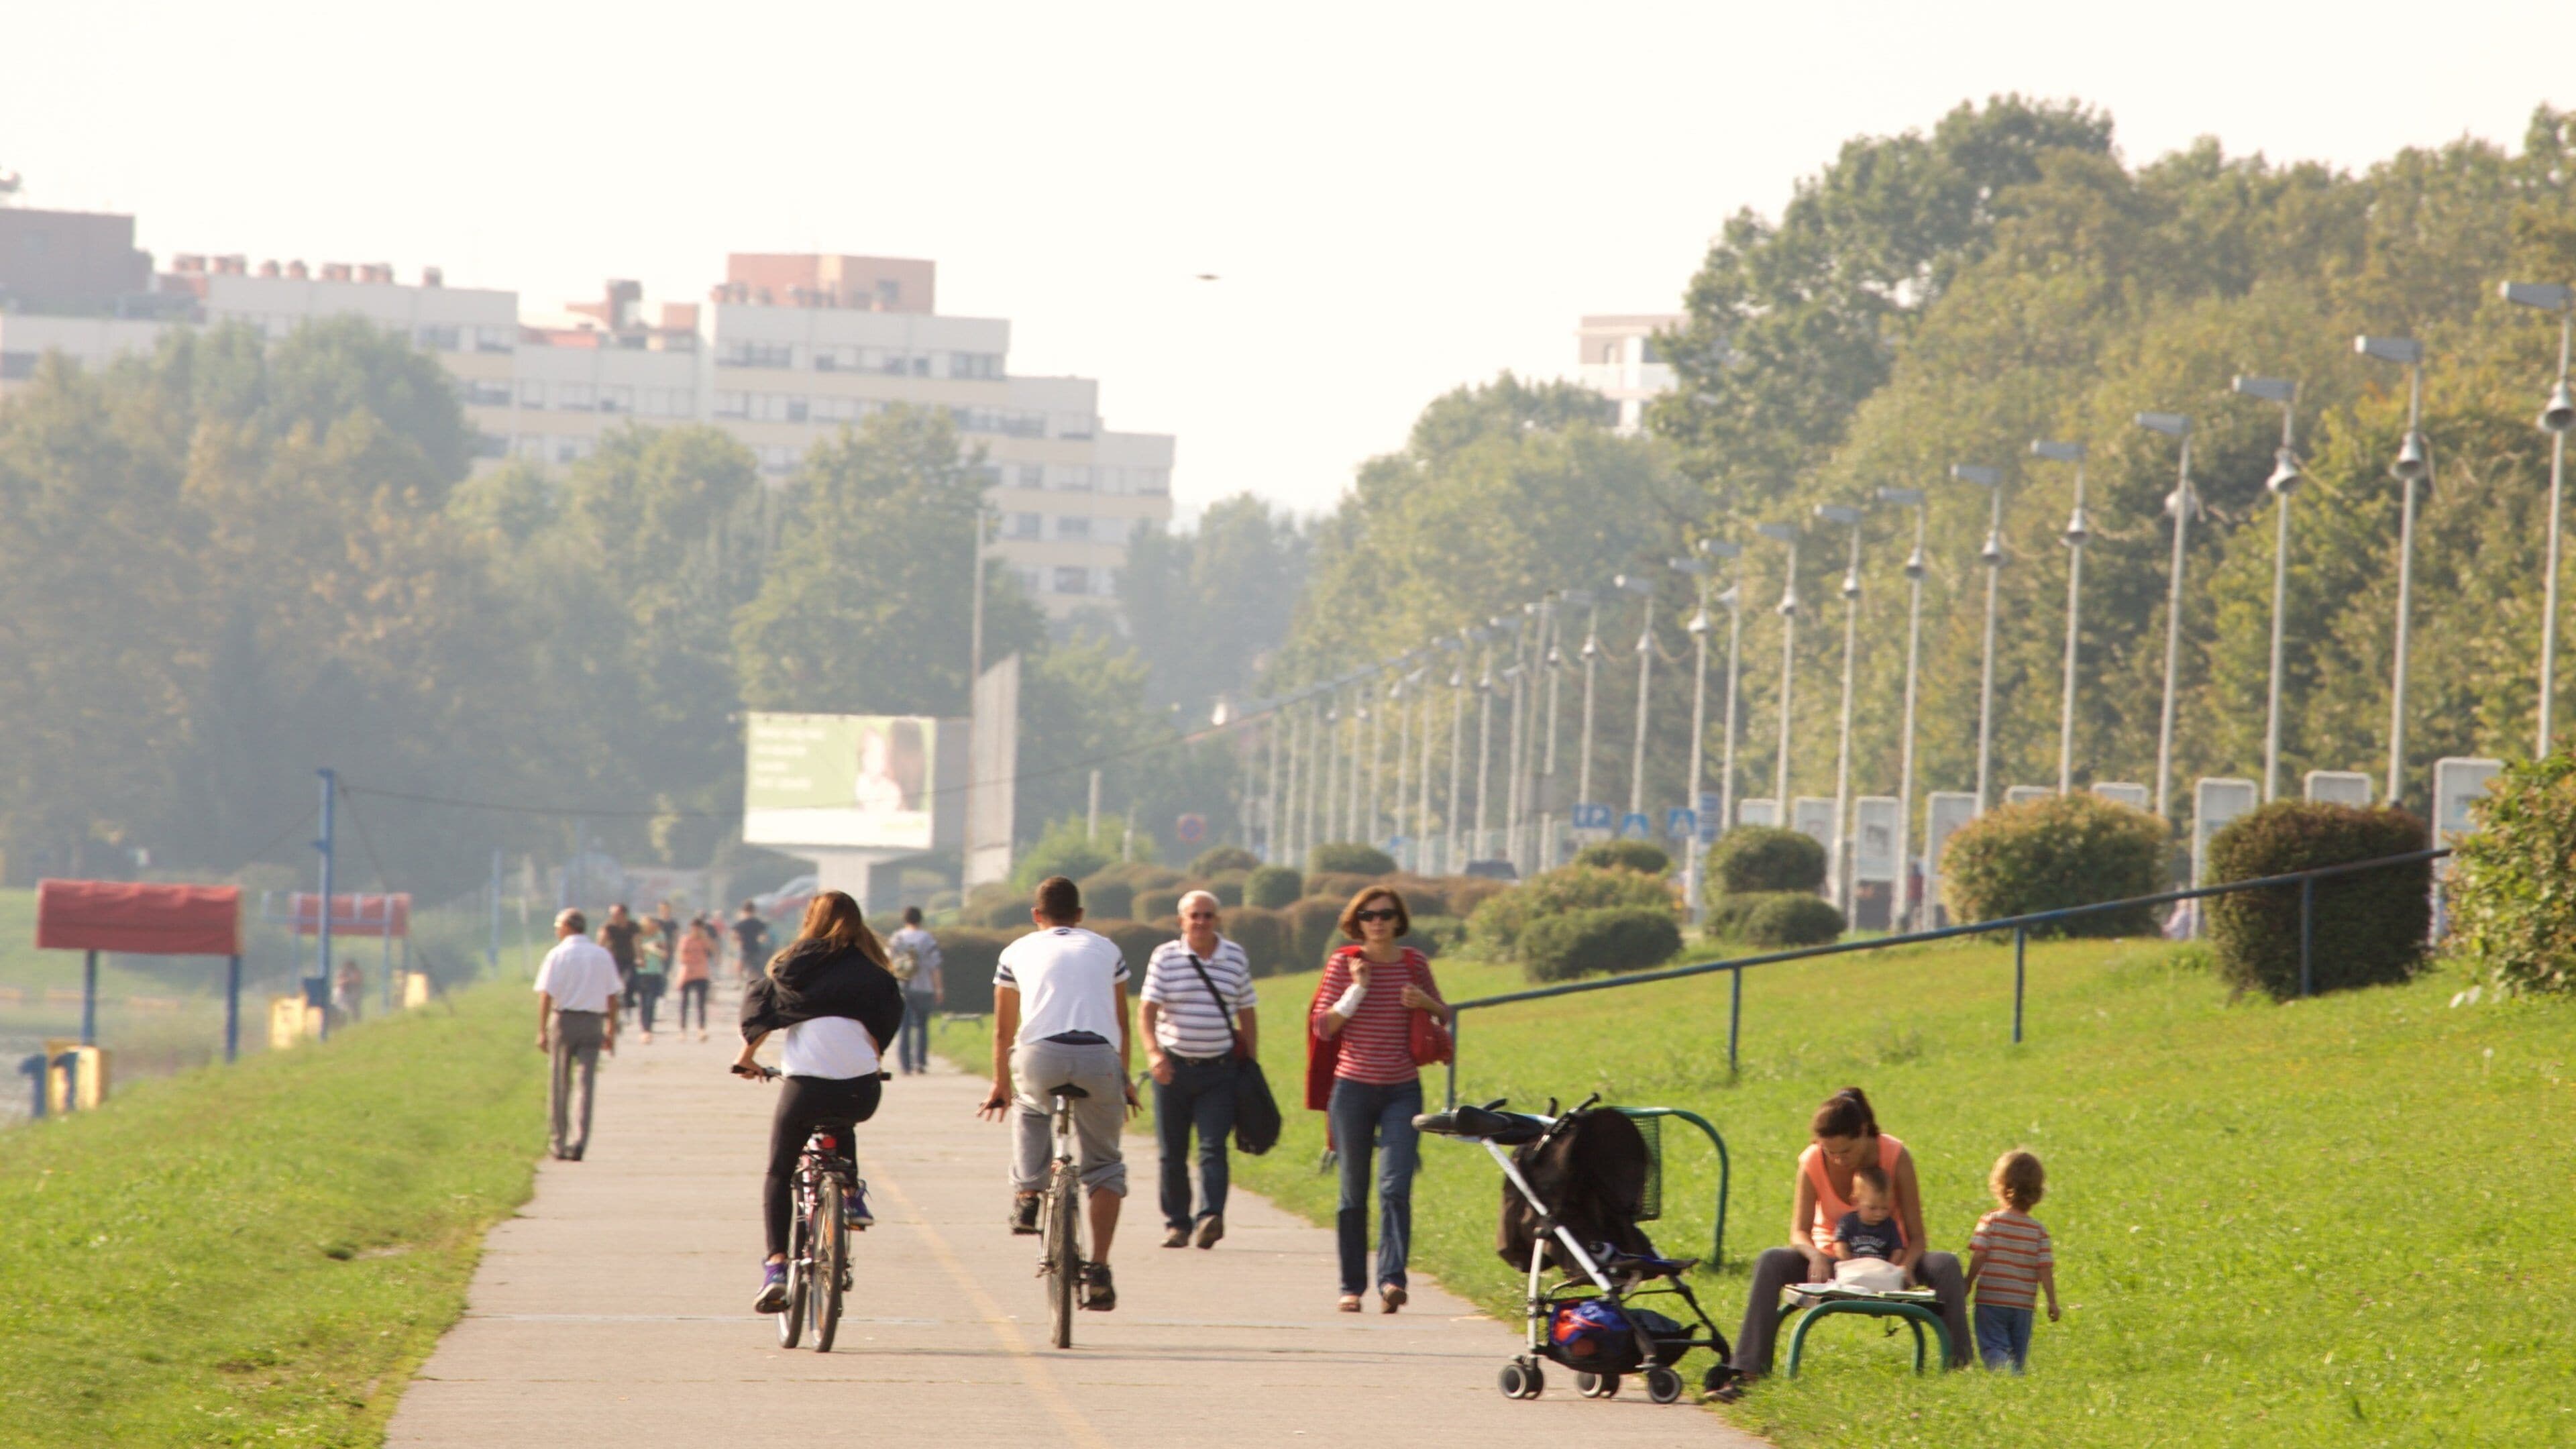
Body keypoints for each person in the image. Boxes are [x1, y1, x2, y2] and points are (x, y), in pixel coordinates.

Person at [1721, 1087, 1972, 1392]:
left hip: (1890, 1261)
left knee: (1946, 1264)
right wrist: (1814, 1256)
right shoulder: (1812, 1160)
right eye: (1831, 1153)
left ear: (1863, 1133)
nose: (1838, 1160)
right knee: (1771, 1260)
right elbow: (1798, 1232)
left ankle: (1958, 1369)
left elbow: (1918, 1237)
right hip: (1832, 1260)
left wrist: (1906, 1266)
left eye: (1846, 1152)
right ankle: (1749, 1372)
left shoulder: (1895, 1156)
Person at [735, 891, 906, 1313]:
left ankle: (776, 1266)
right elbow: (882, 1028)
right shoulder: (875, 972)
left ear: (811, 919)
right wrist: (872, 1057)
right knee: (841, 1113)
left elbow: (764, 1010)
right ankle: (849, 1194)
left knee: (779, 1171)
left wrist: (746, 1060)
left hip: (805, 1089)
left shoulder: (790, 965)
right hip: (862, 1091)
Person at [975, 875, 1138, 1312]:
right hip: (1099, 1057)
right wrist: (1123, 1079)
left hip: (1040, 1056)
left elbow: (1003, 1030)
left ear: (1036, 915)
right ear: (1080, 915)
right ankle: (1100, 1268)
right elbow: (1121, 1021)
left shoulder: (1016, 951)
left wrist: (1000, 1085)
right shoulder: (1106, 949)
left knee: (1030, 1107)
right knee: (1104, 1165)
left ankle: (1028, 1195)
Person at [1307, 885, 1449, 1314]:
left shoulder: (1414, 962)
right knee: (1353, 1192)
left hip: (1403, 1091)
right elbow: (1322, 1027)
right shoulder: (1345, 964)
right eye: (1369, 915)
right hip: (1352, 1089)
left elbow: (1447, 1015)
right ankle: (1351, 1287)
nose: (1378, 922)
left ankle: (1391, 1282)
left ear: (1398, 920)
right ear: (1357, 921)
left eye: (1386, 915)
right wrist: (1356, 991)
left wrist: (1424, 1001)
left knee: (1395, 1187)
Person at [1140, 890, 1258, 1249]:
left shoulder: (1235, 957)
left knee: (1213, 1147)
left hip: (1219, 1071)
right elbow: (1146, 1011)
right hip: (1172, 1069)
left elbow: (1247, 1011)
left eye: (1208, 915)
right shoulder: (1165, 957)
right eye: (1195, 916)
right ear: (1182, 921)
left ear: (1218, 920)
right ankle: (1177, 1224)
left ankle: (1210, 1217)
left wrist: (1249, 1063)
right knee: (1172, 1151)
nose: (1202, 922)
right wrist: (1153, 1054)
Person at [533, 909, 622, 1161]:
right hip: (593, 1022)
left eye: (558, 925)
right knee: (586, 1085)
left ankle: (559, 1142)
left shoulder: (557, 954)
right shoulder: (601, 955)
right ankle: (580, 1141)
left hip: (564, 1021)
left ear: (569, 927)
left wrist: (542, 1030)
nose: (556, 930)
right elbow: (613, 997)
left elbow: (546, 995)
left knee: (560, 1084)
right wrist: (611, 1030)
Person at [1966, 1150, 2058, 1373]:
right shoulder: (2038, 1231)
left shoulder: (1991, 1221)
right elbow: (2044, 1269)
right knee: (2017, 1354)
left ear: (2000, 1185)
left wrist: (1968, 1281)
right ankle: (2014, 1379)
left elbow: (1979, 1254)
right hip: (2023, 1305)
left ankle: (2009, 1374)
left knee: (1993, 1348)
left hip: (1992, 1300)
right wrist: (2052, 1301)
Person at [885, 906, 944, 1075]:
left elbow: (888, 963)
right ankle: (921, 1062)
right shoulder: (927, 939)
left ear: (905, 919)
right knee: (922, 1026)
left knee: (904, 1026)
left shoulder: (897, 938)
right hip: (923, 987)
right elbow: (935, 966)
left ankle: (905, 1064)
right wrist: (939, 989)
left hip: (902, 987)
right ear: (920, 919)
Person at [1831, 1165, 1903, 1263]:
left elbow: (1897, 1250)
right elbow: (1840, 1246)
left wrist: (1890, 1267)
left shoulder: (1889, 1225)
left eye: (1885, 1208)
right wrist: (1849, 1264)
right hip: (1853, 1270)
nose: (1879, 1214)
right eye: (1872, 1208)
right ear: (1855, 1202)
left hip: (1880, 1271)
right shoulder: (1848, 1222)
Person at [672, 914, 714, 1042]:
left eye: (699, 928)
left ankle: (701, 1030)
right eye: (694, 928)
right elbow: (680, 956)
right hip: (687, 973)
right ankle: (683, 1030)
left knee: (701, 1004)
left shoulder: (705, 939)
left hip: (701, 973)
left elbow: (712, 952)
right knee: (684, 1003)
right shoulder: (685, 939)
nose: (696, 931)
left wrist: (705, 939)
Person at [630, 926, 669, 1043]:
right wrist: (644, 949)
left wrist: (654, 949)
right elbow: (635, 954)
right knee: (643, 1002)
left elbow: (664, 954)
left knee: (651, 1002)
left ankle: (648, 1029)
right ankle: (645, 1029)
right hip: (642, 973)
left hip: (655, 973)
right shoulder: (638, 938)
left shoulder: (659, 936)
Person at [598, 903, 643, 1006]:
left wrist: (640, 958)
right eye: (612, 914)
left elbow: (637, 943)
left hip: (629, 959)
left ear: (623, 914)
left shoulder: (633, 926)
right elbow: (601, 944)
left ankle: (628, 999)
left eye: (616, 914)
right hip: (613, 960)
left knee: (632, 981)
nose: (613, 917)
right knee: (612, 985)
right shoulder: (608, 927)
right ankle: (612, 1003)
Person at [731, 902, 771, 985]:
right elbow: (764, 937)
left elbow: (734, 936)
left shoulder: (741, 923)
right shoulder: (758, 923)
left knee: (739, 965)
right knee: (755, 969)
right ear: (754, 911)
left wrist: (738, 942)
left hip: (744, 948)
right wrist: (760, 940)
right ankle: (754, 983)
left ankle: (739, 981)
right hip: (755, 948)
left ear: (744, 911)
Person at [333, 959, 365, 1025]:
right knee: (341, 1010)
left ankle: (357, 1023)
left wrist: (352, 980)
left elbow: (359, 981)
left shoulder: (356, 973)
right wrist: (347, 981)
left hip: (352, 993)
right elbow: (339, 983)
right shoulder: (342, 972)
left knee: (355, 1010)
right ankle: (340, 1023)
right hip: (343, 994)